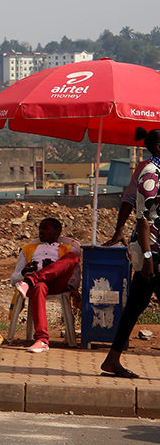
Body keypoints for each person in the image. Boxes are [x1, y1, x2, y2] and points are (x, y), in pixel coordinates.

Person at [101, 128, 160, 379]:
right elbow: (143, 219)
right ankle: (112, 359)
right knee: (136, 304)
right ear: (157, 147)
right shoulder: (151, 174)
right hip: (153, 253)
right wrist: (147, 260)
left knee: (136, 305)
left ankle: (112, 358)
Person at [11, 218, 81, 353]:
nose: (41, 231)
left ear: (57, 232)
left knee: (73, 257)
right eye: (40, 228)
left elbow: (74, 281)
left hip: (57, 283)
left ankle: (32, 279)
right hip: (36, 286)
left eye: (45, 228)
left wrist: (55, 270)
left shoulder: (67, 249)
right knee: (39, 286)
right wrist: (25, 272)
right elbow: (14, 279)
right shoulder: (28, 249)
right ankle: (42, 340)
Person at [103, 159, 148, 246]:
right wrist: (119, 231)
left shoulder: (145, 167)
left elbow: (129, 198)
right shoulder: (145, 167)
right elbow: (129, 198)